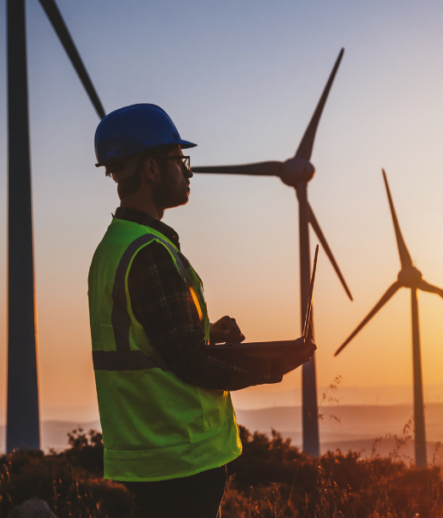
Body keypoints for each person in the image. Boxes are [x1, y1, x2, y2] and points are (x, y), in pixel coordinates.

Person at [87, 104, 315, 517]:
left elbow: (148, 339)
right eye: (180, 160)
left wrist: (206, 329)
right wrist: (274, 365)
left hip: (149, 453)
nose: (187, 171)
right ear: (152, 169)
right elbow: (188, 361)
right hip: (181, 456)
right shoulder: (149, 254)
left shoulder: (115, 247)